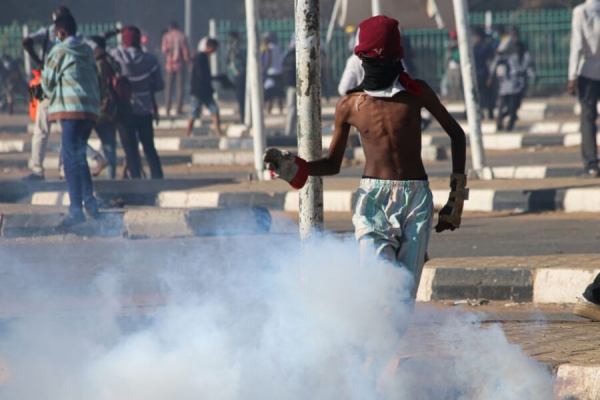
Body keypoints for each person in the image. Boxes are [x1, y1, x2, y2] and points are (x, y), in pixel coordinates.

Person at [264, 16, 467, 303]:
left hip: (416, 200)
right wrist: (297, 167)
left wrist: (455, 199)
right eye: (372, 60)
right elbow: (333, 163)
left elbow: (457, 135)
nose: (378, 67)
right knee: (378, 285)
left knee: (402, 297)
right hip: (372, 200)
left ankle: (377, 348)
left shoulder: (416, 93)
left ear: (398, 58)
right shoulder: (350, 105)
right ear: (360, 58)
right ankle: (361, 343)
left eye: (384, 61)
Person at [41, 14, 101, 226]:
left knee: (70, 159)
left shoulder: (59, 51)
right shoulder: (87, 50)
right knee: (79, 157)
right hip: (90, 111)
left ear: (61, 33)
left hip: (71, 111)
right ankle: (90, 205)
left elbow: (46, 84)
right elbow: (97, 77)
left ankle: (76, 210)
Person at [21, 5, 73, 181]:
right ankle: (60, 170)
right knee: (60, 130)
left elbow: (26, 42)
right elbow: (26, 42)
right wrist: (40, 63)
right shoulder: (56, 34)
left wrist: (40, 63)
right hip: (56, 86)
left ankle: (41, 170)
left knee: (45, 130)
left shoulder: (53, 32)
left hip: (53, 86)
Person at [111, 26, 165, 179]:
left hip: (125, 111)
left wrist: (111, 33)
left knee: (131, 149)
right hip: (145, 110)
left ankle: (136, 180)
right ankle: (157, 178)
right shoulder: (150, 60)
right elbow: (160, 85)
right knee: (149, 147)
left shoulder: (118, 56)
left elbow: (96, 43)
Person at [568, 0, 600, 178]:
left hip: (587, 71)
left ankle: (591, 165)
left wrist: (572, 76)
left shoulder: (581, 12)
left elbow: (577, 45)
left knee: (588, 118)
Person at [89, 35, 121, 179]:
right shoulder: (111, 63)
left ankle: (96, 157)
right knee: (110, 148)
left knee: (75, 141)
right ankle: (111, 182)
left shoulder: (96, 65)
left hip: (95, 110)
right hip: (110, 110)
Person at [489, 41, 535, 131]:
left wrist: (534, 77)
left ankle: (502, 117)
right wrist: (491, 75)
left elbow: (530, 71)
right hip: (508, 87)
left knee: (515, 107)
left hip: (518, 88)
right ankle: (509, 127)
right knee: (512, 109)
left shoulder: (525, 59)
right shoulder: (509, 58)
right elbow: (496, 62)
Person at [187, 38, 222, 138]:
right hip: (198, 91)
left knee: (214, 111)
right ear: (210, 47)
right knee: (194, 113)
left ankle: (218, 133)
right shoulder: (200, 57)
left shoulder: (204, 57)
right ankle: (188, 133)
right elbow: (201, 75)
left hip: (205, 91)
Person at [161, 21, 189, 116]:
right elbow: (185, 52)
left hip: (169, 65)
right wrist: (188, 61)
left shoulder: (166, 36)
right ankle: (178, 109)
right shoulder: (182, 36)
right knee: (180, 87)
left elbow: (164, 50)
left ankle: (167, 108)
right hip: (180, 65)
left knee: (169, 88)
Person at [473, 27, 495, 120]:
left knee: (488, 95)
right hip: (475, 75)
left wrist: (490, 76)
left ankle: (490, 114)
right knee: (476, 96)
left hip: (485, 75)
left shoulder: (486, 49)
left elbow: (490, 62)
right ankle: (478, 113)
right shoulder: (471, 49)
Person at [261, 32, 284, 114]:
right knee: (278, 92)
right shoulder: (278, 48)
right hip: (279, 71)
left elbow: (268, 61)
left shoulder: (269, 49)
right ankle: (281, 109)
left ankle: (268, 109)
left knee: (269, 92)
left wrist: (263, 70)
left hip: (271, 73)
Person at [227, 31, 246, 124]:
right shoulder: (234, 47)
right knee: (241, 98)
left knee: (241, 98)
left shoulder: (236, 47)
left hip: (240, 74)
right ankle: (243, 117)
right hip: (238, 74)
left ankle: (243, 118)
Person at [282, 35, 297, 137]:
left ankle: (289, 131)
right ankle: (291, 131)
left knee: (291, 109)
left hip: (290, 87)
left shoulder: (287, 55)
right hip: (298, 87)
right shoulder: (299, 55)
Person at [445, 30, 462, 101]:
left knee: (458, 83)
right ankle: (454, 98)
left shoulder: (460, 47)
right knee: (452, 83)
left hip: (458, 67)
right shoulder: (450, 47)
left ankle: (460, 97)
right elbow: (448, 55)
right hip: (451, 67)